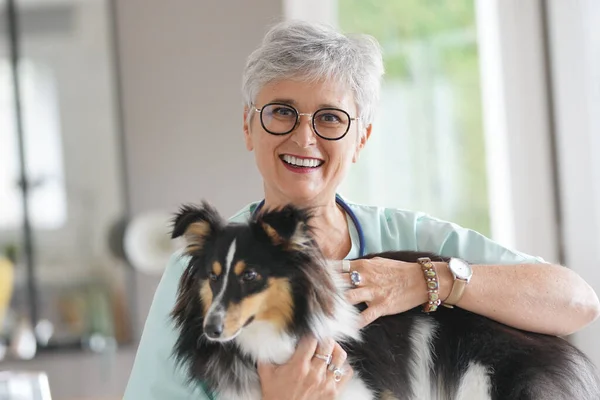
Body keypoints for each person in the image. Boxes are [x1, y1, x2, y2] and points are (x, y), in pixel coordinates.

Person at [123, 20, 600, 400]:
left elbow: (576, 303)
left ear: (361, 139)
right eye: (281, 111)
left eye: (330, 117)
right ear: (249, 127)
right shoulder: (202, 269)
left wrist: (424, 280)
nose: (303, 137)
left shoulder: (412, 238)